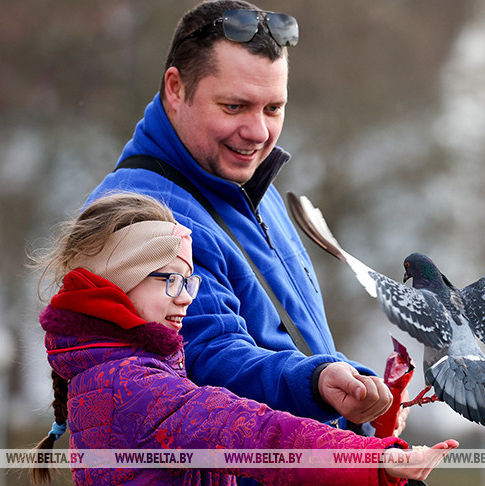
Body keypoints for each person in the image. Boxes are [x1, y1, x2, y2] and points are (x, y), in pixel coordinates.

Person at [86, 0, 394, 432]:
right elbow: (209, 358)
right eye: (234, 107)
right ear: (176, 89)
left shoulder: (246, 185)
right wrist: (319, 382)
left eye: (273, 108)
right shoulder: (139, 214)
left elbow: (292, 346)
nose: (258, 132)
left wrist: (358, 395)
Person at [29, 192, 457, 486]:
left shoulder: (102, 375)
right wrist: (376, 460)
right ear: (120, 281)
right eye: (172, 281)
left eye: (191, 282)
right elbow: (258, 436)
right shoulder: (136, 388)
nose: (186, 300)